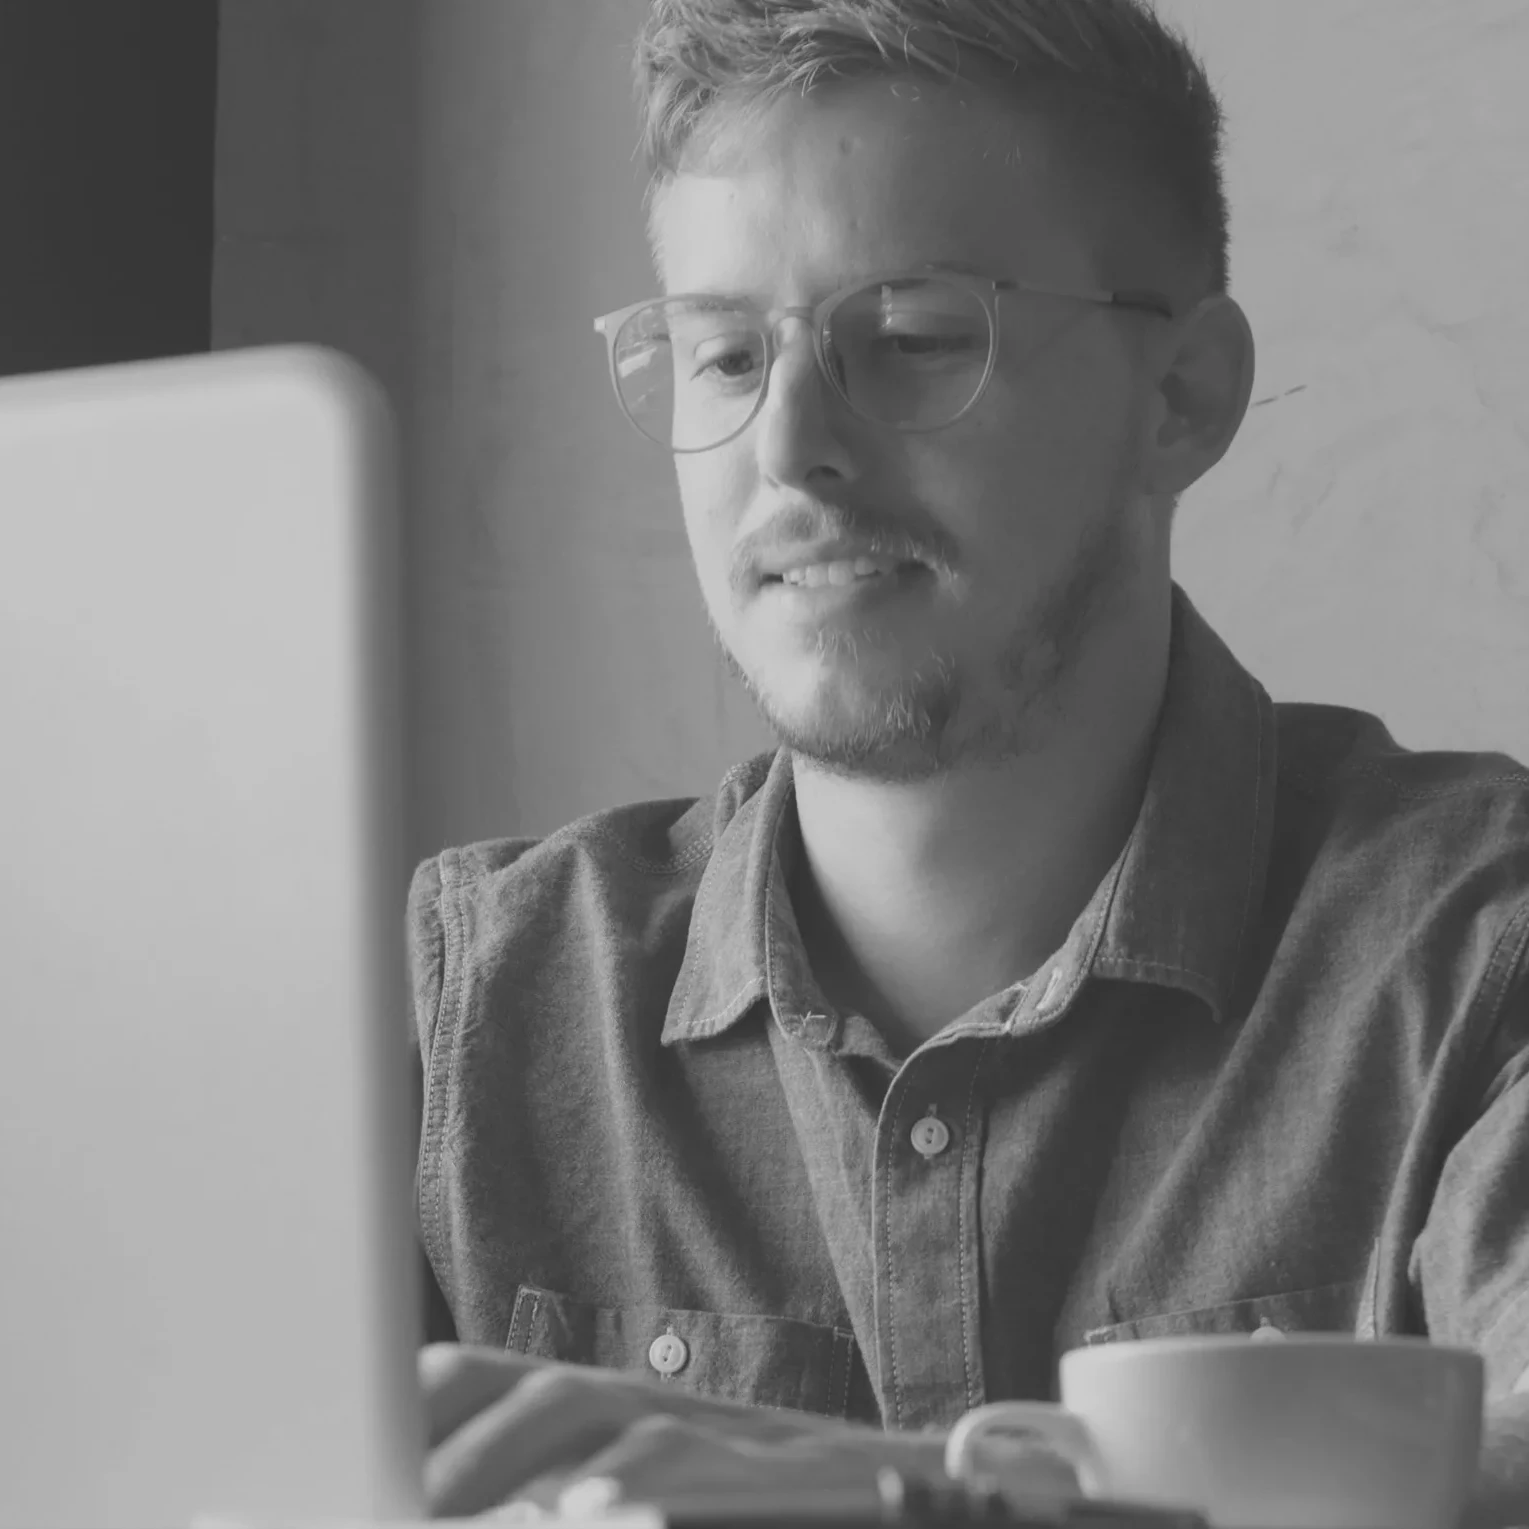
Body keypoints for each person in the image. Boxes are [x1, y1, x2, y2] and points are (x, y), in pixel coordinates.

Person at [410, 0, 1529, 1519]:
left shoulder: (1477, 957)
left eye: (917, 339)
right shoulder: (473, 1012)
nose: (791, 445)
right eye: (725, 356)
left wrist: (890, 1502)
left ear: (1183, 395)